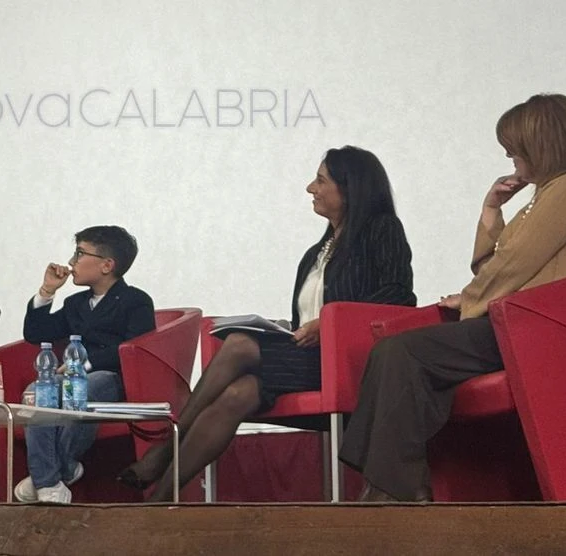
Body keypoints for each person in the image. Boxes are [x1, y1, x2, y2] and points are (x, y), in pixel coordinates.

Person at [339, 93, 566, 502]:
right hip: (521, 324)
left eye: (514, 146)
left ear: (540, 144)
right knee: (394, 351)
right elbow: (496, 265)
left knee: (402, 352)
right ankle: (389, 483)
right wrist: (491, 210)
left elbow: (511, 267)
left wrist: (472, 301)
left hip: (540, 331)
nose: (509, 155)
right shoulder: (550, 195)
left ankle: (395, 488)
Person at [118, 146, 415, 501]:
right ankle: (160, 501)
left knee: (239, 345)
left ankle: (167, 446)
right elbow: (303, 319)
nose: (310, 188)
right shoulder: (315, 253)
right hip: (306, 360)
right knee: (237, 393)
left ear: (350, 188)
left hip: (348, 363)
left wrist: (327, 325)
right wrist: (289, 328)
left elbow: (399, 296)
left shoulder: (382, 230)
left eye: (321, 180)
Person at [17, 225, 156, 504]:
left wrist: (84, 365)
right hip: (71, 377)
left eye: (80, 254)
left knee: (83, 387)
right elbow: (36, 333)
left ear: (107, 265)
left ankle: (51, 474)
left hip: (112, 379)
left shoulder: (136, 301)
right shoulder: (75, 303)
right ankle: (53, 479)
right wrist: (47, 291)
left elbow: (135, 349)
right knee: (36, 390)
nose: (71, 262)